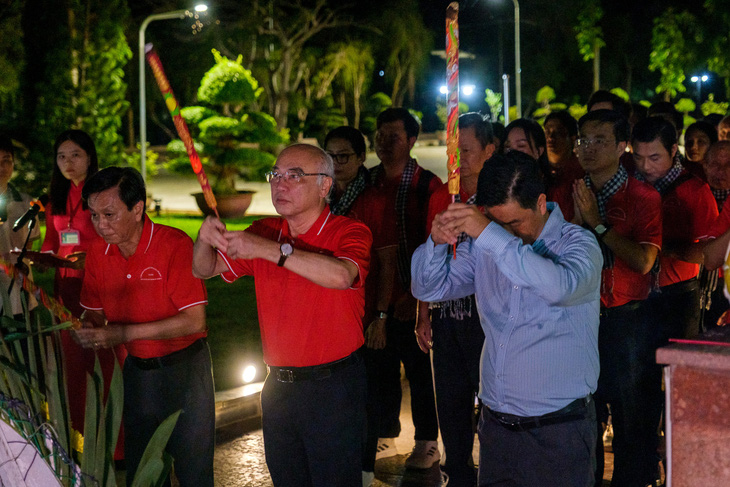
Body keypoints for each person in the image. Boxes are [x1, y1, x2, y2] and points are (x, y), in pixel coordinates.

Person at [412, 150, 602, 486]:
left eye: (514, 223)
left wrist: (489, 234)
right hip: (497, 429)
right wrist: (436, 241)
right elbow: (429, 286)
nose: (507, 233)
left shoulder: (579, 245)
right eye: (498, 224)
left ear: (541, 203)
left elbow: (558, 288)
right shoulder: (488, 246)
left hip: (559, 431)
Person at [193, 144, 371, 487]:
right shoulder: (265, 230)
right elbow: (204, 269)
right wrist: (204, 239)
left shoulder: (349, 231)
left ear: (324, 186)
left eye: (295, 176)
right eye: (275, 175)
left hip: (334, 386)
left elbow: (341, 276)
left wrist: (267, 250)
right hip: (278, 386)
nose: (280, 184)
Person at [73, 167, 213, 487]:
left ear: (138, 209)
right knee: (144, 472)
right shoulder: (98, 252)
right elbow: (93, 312)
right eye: (94, 215)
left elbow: (194, 320)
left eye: (109, 214)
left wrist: (122, 334)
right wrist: (88, 328)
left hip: (186, 370)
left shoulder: (173, 244)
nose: (101, 225)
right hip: (136, 371)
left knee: (194, 470)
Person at [572, 110, 662, 486]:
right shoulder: (570, 191)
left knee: (631, 418)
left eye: (599, 141)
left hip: (628, 320)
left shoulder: (642, 196)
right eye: (583, 141)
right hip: (582, 317)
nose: (588, 149)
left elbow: (643, 261)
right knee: (584, 412)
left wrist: (596, 223)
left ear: (622, 146)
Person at [352, 107, 441, 471]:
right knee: (380, 367)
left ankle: (427, 440)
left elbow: (433, 245)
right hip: (376, 297)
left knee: (420, 370)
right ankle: (386, 432)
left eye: (395, 137)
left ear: (412, 140)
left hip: (413, 295)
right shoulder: (368, 181)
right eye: (380, 135)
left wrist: (415, 297)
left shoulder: (427, 185)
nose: (385, 143)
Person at [415, 112, 494, 486]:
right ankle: (457, 473)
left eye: (467, 149)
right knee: (450, 400)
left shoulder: (500, 195)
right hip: (446, 313)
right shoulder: (443, 194)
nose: (458, 159)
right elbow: (429, 256)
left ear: (490, 150)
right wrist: (424, 313)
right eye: (453, 151)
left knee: (492, 401)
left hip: (488, 315)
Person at [40, 129, 125, 456]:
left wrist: (89, 257)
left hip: (99, 286)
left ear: (90, 156)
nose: (68, 163)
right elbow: (52, 240)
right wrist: (38, 259)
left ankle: (116, 445)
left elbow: (114, 236)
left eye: (75, 154)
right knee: (73, 363)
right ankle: (78, 441)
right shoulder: (55, 198)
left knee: (104, 361)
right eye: (61, 156)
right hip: (66, 290)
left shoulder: (104, 193)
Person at [0, 135, 40, 317]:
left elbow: (29, 245)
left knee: (25, 343)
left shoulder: (26, 203)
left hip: (21, 292)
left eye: (6, 160)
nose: (1, 167)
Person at [699, 141, 730, 328]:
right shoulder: (696, 190)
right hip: (716, 287)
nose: (722, 171)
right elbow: (710, 259)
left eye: (728, 165)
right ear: (704, 165)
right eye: (715, 165)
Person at [543, 111, 583, 221]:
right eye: (547, 132)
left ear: (573, 138)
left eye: (559, 133)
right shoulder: (539, 171)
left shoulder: (581, 173)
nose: (551, 138)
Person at [324, 126, 369, 216]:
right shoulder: (320, 189)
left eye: (343, 156)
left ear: (361, 158)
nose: (335, 162)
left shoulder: (373, 196)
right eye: (330, 156)